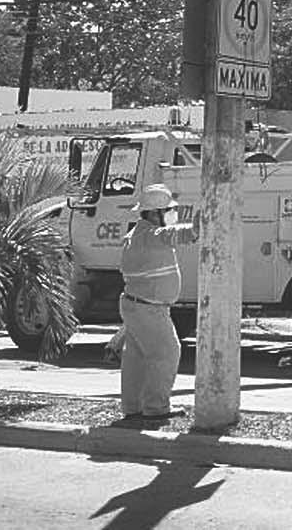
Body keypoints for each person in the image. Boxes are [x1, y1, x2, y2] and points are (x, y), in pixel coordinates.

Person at [116, 183, 199, 426]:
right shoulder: (150, 235)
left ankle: (133, 407)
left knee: (137, 359)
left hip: (137, 306)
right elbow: (171, 235)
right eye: (168, 210)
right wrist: (195, 230)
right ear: (154, 213)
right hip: (149, 309)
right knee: (167, 353)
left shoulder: (137, 235)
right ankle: (156, 407)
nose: (172, 215)